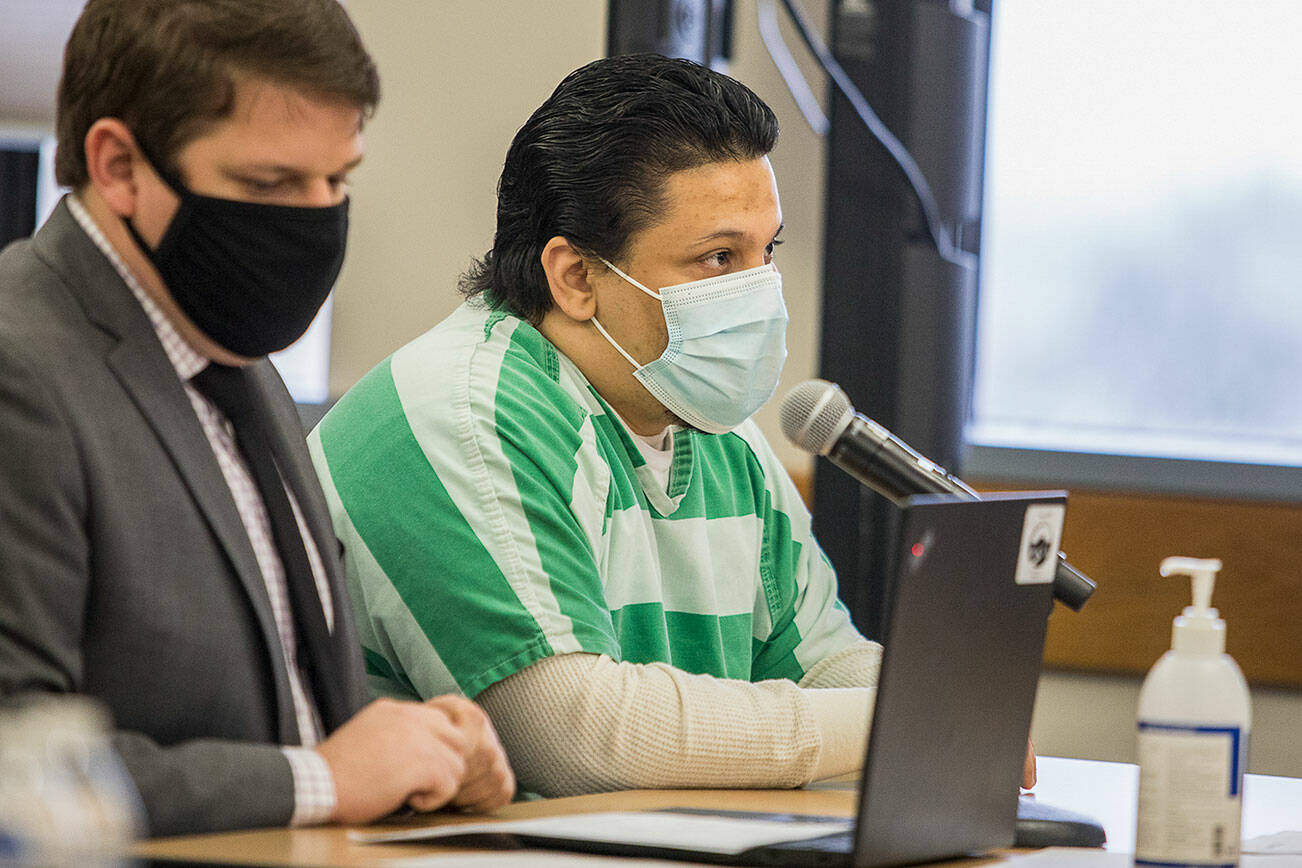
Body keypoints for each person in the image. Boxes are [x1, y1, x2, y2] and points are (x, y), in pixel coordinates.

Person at [310, 53, 940, 798]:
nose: (758, 292)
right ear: (576, 277)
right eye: (718, 258)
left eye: (764, 252)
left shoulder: (714, 429)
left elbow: (824, 664)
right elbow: (577, 739)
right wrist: (905, 724)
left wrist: (945, 713)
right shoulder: (462, 412)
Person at [0, 0, 513, 836]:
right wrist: (320, 779)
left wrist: (426, 757)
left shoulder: (236, 360)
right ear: (120, 165)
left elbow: (297, 712)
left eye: (338, 179)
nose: (314, 218)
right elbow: (17, 766)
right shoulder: (20, 366)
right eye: (269, 184)